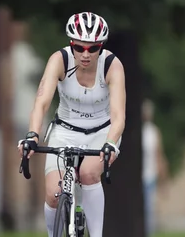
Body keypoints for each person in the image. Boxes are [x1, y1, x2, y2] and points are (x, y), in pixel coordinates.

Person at [18, 12, 126, 237]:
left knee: (88, 173)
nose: (85, 55)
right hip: (65, 130)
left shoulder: (111, 66)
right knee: (52, 194)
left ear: (101, 47)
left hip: (102, 132)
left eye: (93, 49)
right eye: (79, 48)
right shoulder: (59, 60)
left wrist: (111, 143)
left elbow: (118, 115)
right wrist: (32, 135)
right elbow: (42, 101)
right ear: (71, 45)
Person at [142, 99, 168, 236]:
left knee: (149, 210)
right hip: (138, 177)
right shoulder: (138, 131)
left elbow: (159, 155)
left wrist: (163, 179)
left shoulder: (153, 132)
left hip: (149, 176)